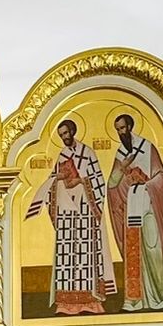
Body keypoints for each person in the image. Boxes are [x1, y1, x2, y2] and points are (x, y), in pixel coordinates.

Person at [28, 117, 113, 315]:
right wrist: (58, 178)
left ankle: (90, 301)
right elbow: (53, 179)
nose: (64, 137)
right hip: (66, 211)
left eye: (66, 133)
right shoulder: (62, 156)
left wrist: (81, 181)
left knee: (86, 252)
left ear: (73, 132)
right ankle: (66, 304)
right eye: (61, 135)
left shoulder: (88, 153)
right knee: (66, 254)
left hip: (85, 209)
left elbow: (99, 181)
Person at [107, 113, 163, 312]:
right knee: (133, 254)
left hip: (149, 207)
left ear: (130, 127)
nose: (121, 133)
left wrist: (146, 184)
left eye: (122, 128)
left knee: (153, 251)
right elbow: (111, 185)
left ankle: (159, 299)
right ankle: (133, 302)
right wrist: (122, 168)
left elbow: (162, 177)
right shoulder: (120, 154)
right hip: (131, 208)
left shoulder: (148, 148)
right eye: (117, 130)